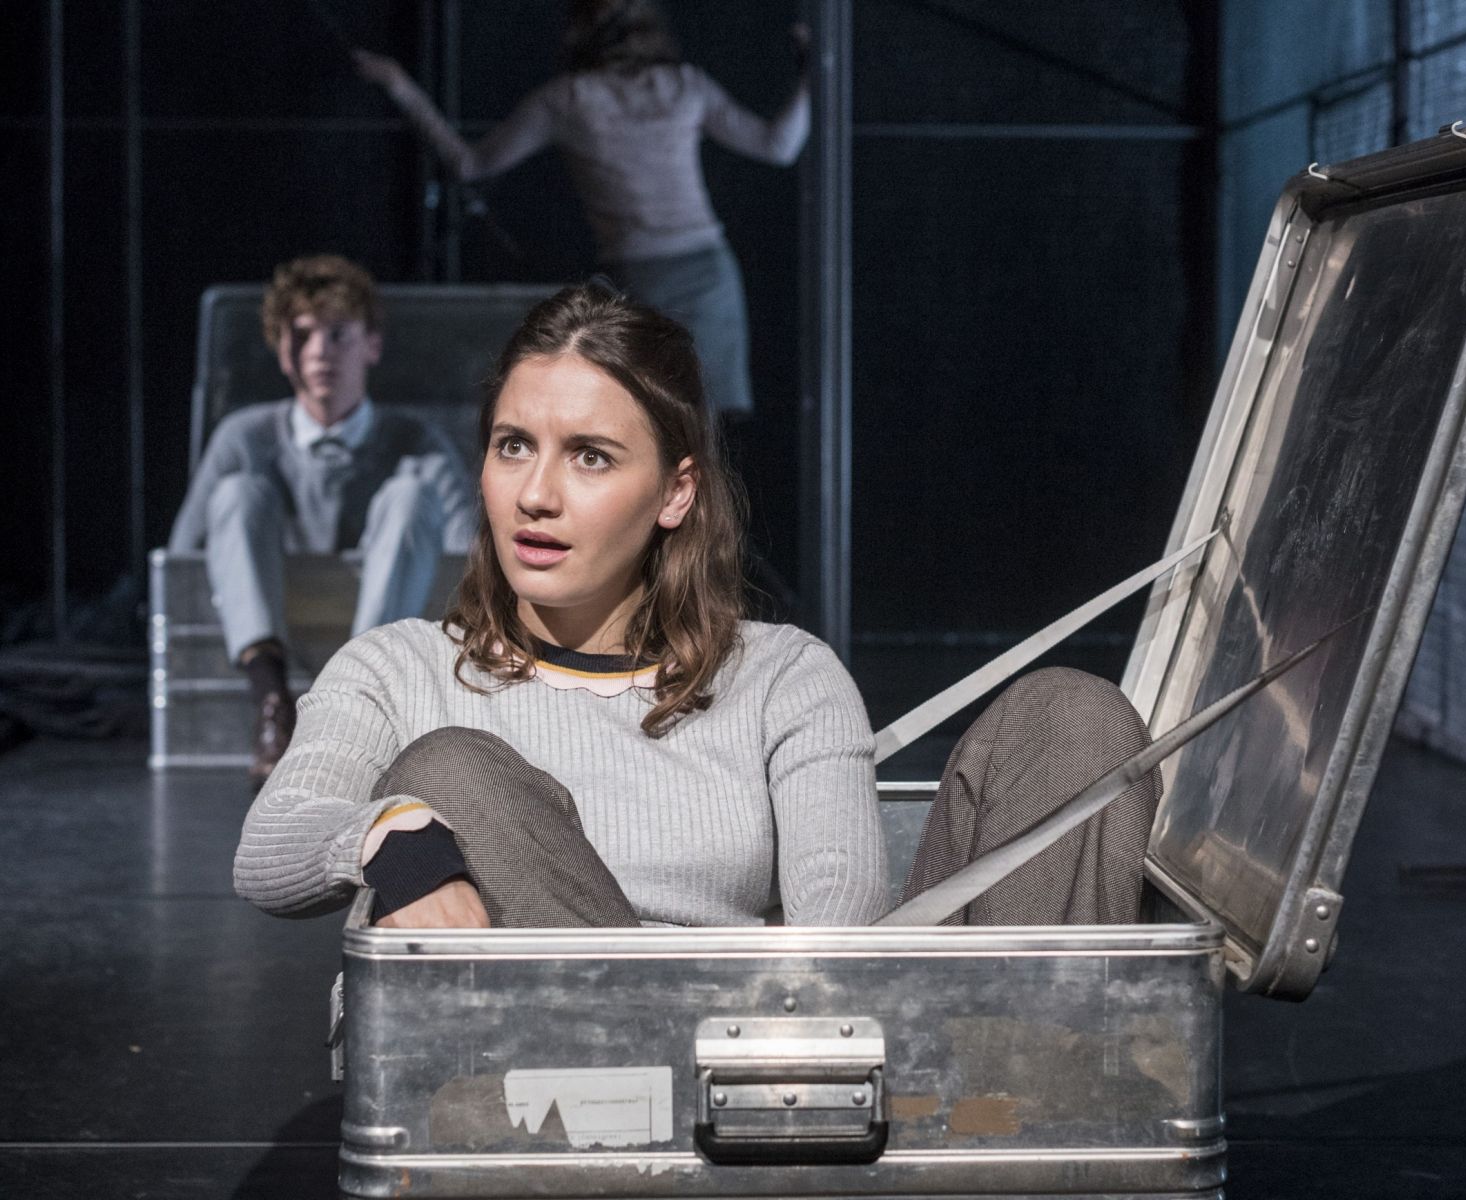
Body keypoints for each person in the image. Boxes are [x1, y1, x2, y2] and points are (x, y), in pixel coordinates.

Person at [232, 283, 1158, 931]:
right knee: (451, 768)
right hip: (545, 1072)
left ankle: (1027, 1113)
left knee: (1072, 719)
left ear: (675, 493)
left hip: (761, 1056)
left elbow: (837, 943)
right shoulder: (399, 669)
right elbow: (271, 846)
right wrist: (389, 835)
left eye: (590, 457)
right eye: (514, 446)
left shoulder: (782, 676)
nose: (535, 495)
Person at [351, 0, 810, 421]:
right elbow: (780, 146)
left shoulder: (575, 98)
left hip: (664, 275)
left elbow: (471, 164)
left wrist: (399, 85)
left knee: (662, 427)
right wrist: (812, 75)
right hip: (687, 277)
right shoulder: (676, 87)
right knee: (675, 427)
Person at [169, 255, 474, 786]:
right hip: (276, 654)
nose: (319, 352)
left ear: (371, 345)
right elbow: (182, 566)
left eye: (338, 335)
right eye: (303, 335)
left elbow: (466, 564)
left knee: (409, 496)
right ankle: (272, 706)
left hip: (384, 663)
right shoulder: (244, 438)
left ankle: (354, 702)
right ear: (281, 349)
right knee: (238, 493)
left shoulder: (416, 442)